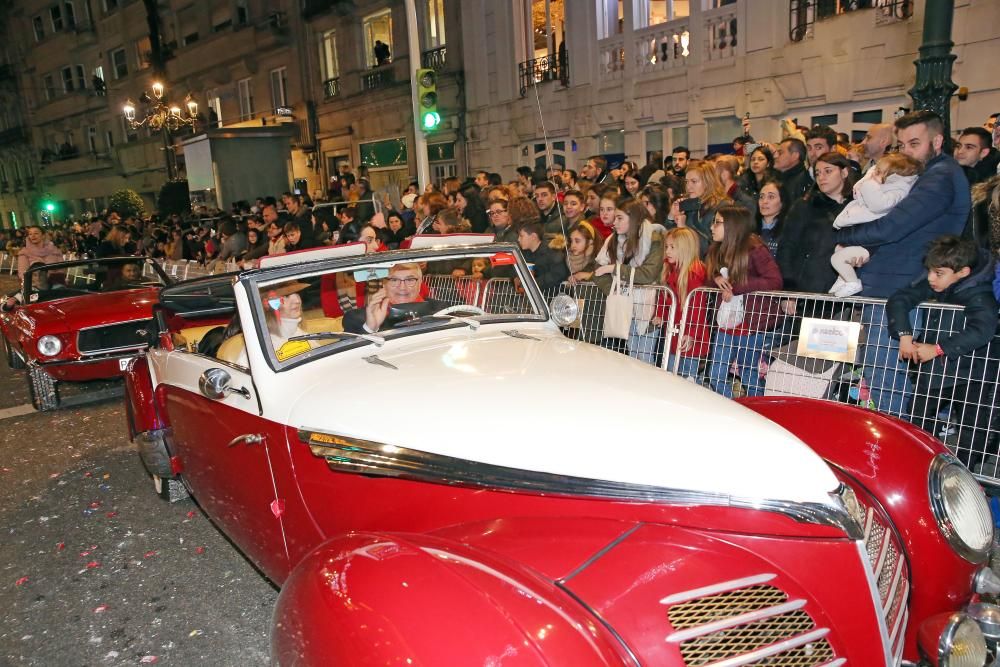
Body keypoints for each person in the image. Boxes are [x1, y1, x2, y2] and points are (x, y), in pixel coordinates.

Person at [836, 109, 972, 418]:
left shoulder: (940, 177)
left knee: (883, 372)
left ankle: (896, 440)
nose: (906, 152)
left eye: (914, 143)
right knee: (883, 371)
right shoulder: (931, 174)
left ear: (936, 141)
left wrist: (846, 234)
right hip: (897, 284)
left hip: (901, 286)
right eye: (902, 145)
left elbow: (892, 226)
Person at [886, 236, 999, 469]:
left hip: (974, 372)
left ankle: (966, 475)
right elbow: (900, 298)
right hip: (938, 369)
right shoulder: (938, 282)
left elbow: (983, 329)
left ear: (963, 272)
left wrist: (938, 348)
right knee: (918, 416)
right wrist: (905, 334)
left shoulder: (980, 295)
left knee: (972, 427)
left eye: (938, 273)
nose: (930, 278)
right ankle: (919, 464)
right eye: (929, 271)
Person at [705, 206, 783, 398]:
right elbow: (708, 276)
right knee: (716, 374)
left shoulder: (755, 248)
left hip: (750, 324)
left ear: (732, 225)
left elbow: (774, 281)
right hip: (726, 323)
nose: (712, 227)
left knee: (748, 374)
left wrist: (737, 286)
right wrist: (716, 278)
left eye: (717, 222)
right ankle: (734, 410)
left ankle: (759, 413)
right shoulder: (716, 249)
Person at [829, 153, 923, 296]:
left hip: (871, 244)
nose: (874, 174)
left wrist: (870, 183)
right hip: (864, 235)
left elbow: (878, 205)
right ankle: (844, 279)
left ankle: (853, 283)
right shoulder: (885, 186)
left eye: (878, 171)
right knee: (838, 250)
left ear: (892, 174)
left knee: (837, 258)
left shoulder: (897, 190)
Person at [593, 198, 664, 361]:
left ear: (633, 219)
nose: (614, 222)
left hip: (650, 309)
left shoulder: (654, 238)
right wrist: (613, 290)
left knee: (645, 359)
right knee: (632, 357)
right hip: (625, 306)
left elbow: (648, 274)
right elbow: (597, 271)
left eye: (620, 218)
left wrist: (614, 269)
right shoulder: (612, 240)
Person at [777, 152, 854, 295]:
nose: (821, 177)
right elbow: (786, 247)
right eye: (817, 173)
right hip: (805, 289)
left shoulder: (858, 207)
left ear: (844, 172)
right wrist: (789, 290)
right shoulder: (804, 206)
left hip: (844, 291)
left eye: (828, 171)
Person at [654, 227, 709, 380]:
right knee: (672, 375)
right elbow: (665, 297)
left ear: (685, 250)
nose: (668, 251)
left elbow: (697, 308)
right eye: (667, 247)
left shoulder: (692, 274)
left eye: (673, 247)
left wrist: (691, 333)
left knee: (687, 378)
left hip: (689, 337)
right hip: (674, 333)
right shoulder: (670, 270)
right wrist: (660, 314)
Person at [344, 262, 444, 334]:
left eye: (410, 280)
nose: (402, 287)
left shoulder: (441, 311)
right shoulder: (357, 319)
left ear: (420, 283)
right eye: (394, 280)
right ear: (383, 284)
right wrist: (370, 329)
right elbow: (346, 360)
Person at [668, 160, 732, 253]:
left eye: (694, 181)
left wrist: (684, 229)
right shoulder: (688, 203)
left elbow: (714, 245)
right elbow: (669, 239)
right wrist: (671, 217)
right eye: (686, 182)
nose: (688, 187)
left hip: (711, 263)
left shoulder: (723, 206)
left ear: (708, 182)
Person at [517, 221, 568, 292]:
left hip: (553, 296)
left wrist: (533, 283)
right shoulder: (525, 253)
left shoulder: (552, 251)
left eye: (521, 236)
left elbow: (558, 274)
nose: (518, 239)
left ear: (533, 236)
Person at [773, 138, 811, 206]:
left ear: (794, 156)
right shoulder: (775, 177)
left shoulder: (804, 181)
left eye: (780, 153)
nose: (775, 156)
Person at [755, 180, 786, 257]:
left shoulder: (788, 231)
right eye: (761, 197)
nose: (764, 201)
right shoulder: (750, 229)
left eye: (771, 197)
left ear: (782, 202)